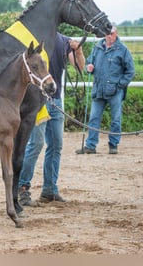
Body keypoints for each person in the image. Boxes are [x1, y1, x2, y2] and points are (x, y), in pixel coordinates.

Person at [19, 32, 85, 206]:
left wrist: (78, 51)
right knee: (36, 144)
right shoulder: (31, 36)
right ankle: (22, 188)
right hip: (36, 100)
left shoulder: (63, 41)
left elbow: (79, 67)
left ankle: (49, 189)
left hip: (55, 99)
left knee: (56, 145)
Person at [76, 24, 135, 155]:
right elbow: (89, 63)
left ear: (116, 35)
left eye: (111, 34)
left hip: (115, 91)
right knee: (93, 118)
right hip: (98, 89)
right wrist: (88, 67)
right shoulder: (97, 47)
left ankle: (113, 144)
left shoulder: (123, 50)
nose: (109, 36)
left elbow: (130, 72)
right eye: (107, 34)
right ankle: (90, 145)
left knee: (115, 119)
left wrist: (119, 85)